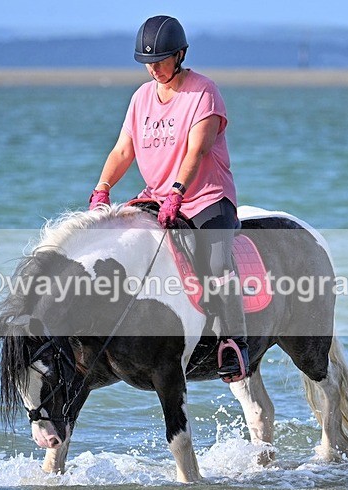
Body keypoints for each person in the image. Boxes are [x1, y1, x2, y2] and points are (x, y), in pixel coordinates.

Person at [87, 15, 249, 382]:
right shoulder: (141, 98)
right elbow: (122, 151)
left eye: (160, 61)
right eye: (148, 63)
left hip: (206, 198)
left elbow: (197, 150)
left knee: (218, 263)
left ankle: (234, 344)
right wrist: (102, 189)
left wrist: (177, 193)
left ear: (180, 55)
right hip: (157, 197)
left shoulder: (203, 92)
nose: (154, 69)